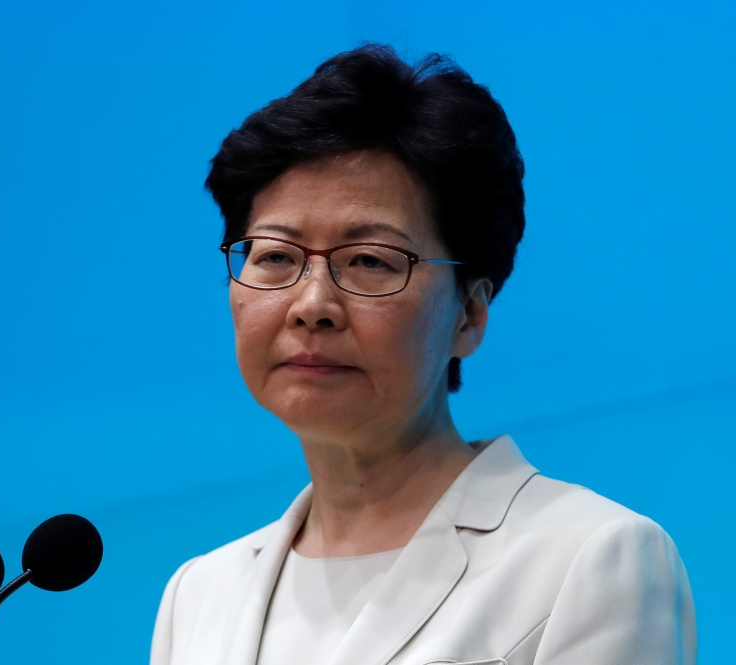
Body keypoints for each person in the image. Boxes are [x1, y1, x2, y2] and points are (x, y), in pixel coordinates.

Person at [151, 44, 695, 665]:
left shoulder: (590, 557)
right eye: (275, 256)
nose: (312, 304)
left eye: (369, 261)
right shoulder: (198, 594)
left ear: (469, 314)